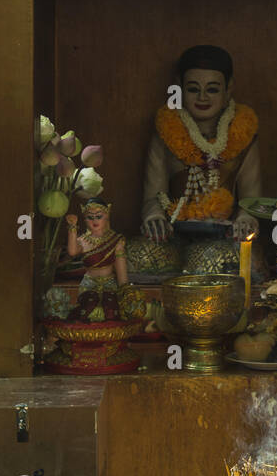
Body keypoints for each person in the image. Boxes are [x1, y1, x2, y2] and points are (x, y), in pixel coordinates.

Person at [140, 45, 261, 242]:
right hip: (175, 236)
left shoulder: (243, 134)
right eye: (193, 89)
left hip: (227, 238)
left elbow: (252, 202)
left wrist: (246, 219)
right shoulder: (165, 133)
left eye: (212, 89)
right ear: (179, 87)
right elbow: (153, 197)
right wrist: (154, 217)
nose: (202, 97)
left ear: (228, 89)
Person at [64, 197, 129, 321]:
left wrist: (125, 290)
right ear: (85, 219)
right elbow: (72, 251)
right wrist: (72, 228)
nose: (94, 220)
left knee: (110, 312)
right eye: (90, 217)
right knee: (86, 311)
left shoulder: (116, 240)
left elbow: (121, 269)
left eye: (99, 216)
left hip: (110, 285)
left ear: (107, 216)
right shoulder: (83, 240)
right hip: (89, 284)